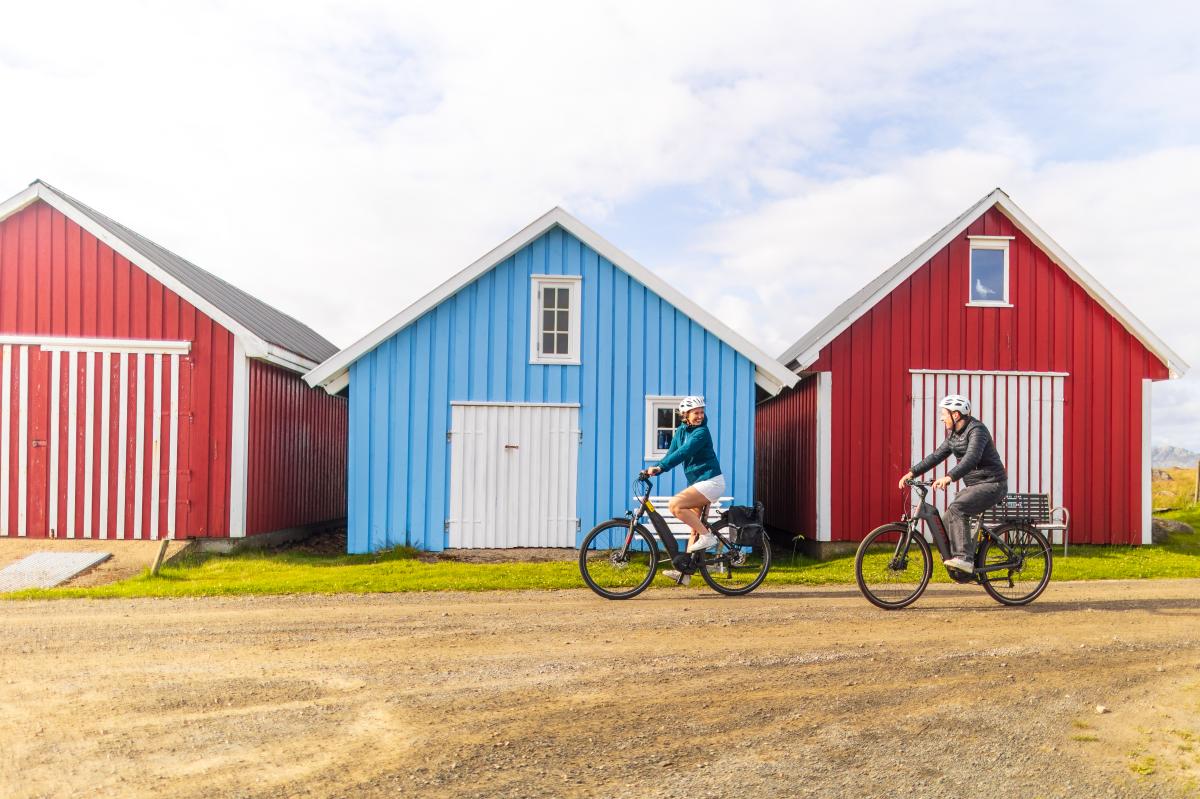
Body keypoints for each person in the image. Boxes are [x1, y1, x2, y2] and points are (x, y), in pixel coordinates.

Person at [899, 394, 1008, 573]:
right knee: (948, 516)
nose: (942, 418)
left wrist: (949, 477)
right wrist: (912, 472)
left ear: (956, 415)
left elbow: (972, 458)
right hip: (975, 486)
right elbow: (936, 456)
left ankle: (964, 559)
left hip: (993, 483)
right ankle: (958, 562)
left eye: (944, 414)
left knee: (958, 508)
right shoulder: (954, 436)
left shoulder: (977, 431)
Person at [646, 396, 724, 586]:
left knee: (675, 505)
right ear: (685, 415)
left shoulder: (701, 432)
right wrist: (655, 468)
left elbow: (684, 453)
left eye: (701, 412)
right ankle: (686, 574)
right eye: (695, 413)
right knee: (693, 531)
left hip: (711, 481)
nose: (699, 416)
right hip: (698, 484)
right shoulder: (681, 431)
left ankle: (708, 537)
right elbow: (671, 454)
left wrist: (662, 467)